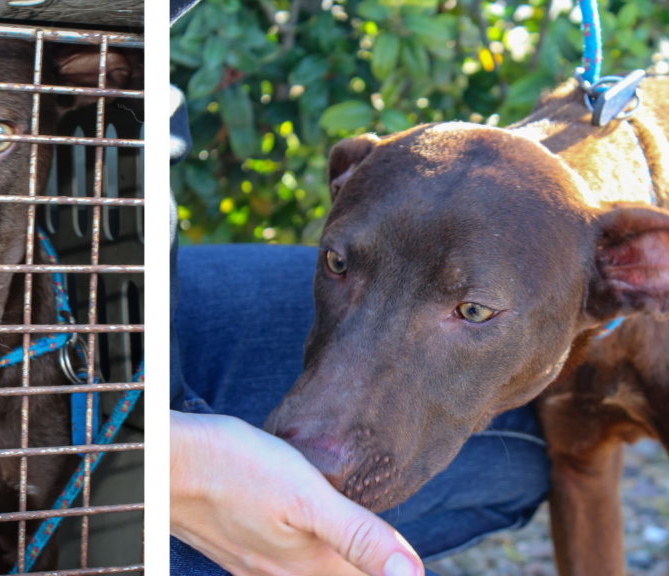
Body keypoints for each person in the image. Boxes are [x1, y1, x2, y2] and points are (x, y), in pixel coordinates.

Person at [169, 6, 550, 572]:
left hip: (136, 277)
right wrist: (180, 471)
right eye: (340, 262)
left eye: (470, 308)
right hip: (31, 353)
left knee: (522, 429)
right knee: (519, 456)